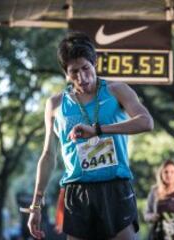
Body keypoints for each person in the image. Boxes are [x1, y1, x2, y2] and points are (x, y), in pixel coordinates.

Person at [27, 31, 154, 240]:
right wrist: (36, 205)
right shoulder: (55, 104)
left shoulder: (117, 90)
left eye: (86, 68)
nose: (82, 77)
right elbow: (48, 155)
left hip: (115, 188)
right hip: (77, 193)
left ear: (95, 63)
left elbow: (146, 122)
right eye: (74, 71)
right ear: (66, 73)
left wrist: (98, 130)